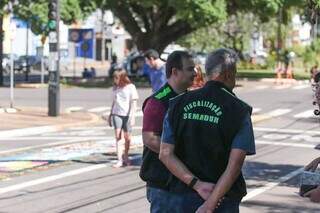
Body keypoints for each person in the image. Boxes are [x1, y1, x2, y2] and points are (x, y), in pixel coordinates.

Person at [159, 48, 256, 213]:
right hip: (222, 199)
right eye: (235, 74)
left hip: (180, 195)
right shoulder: (240, 110)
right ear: (228, 74)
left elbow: (165, 154)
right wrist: (210, 204)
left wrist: (196, 184)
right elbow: (235, 164)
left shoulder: (177, 103)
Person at [139, 51, 196, 212]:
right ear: (175, 72)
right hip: (164, 186)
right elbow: (150, 139)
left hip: (186, 183)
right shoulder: (158, 102)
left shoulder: (190, 98)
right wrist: (182, 154)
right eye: (190, 69)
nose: (195, 73)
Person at [108, 69, 138, 168]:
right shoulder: (115, 88)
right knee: (118, 136)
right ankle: (119, 159)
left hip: (127, 115)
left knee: (127, 138)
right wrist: (110, 115)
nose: (115, 80)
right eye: (114, 78)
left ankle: (126, 155)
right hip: (117, 114)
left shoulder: (130, 87)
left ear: (122, 78)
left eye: (117, 77)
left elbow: (134, 103)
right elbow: (114, 102)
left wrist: (132, 116)